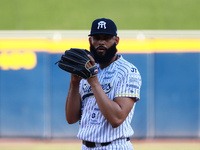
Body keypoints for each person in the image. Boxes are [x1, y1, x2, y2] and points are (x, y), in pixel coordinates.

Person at [65, 18, 142, 150]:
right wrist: (74, 84)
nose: (101, 42)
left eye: (106, 38)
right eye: (97, 37)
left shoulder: (128, 71)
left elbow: (117, 118)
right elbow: (71, 118)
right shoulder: (87, 68)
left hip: (115, 146)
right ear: (90, 41)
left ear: (116, 40)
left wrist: (94, 81)